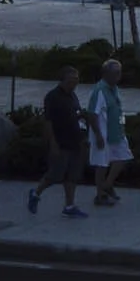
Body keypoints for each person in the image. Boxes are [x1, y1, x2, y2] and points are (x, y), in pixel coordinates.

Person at [28, 65, 94, 219]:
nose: (74, 84)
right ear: (63, 80)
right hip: (61, 141)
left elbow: (75, 114)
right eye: (71, 80)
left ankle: (69, 205)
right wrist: (53, 143)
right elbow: (48, 121)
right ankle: (36, 193)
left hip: (76, 140)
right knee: (55, 174)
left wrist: (83, 121)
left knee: (72, 175)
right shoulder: (53, 97)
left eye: (76, 80)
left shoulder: (73, 96)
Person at [86, 59, 132, 206]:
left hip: (116, 131)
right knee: (102, 164)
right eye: (115, 73)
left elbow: (118, 109)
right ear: (106, 74)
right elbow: (92, 114)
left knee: (123, 157)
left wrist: (122, 126)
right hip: (103, 133)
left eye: (119, 73)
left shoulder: (114, 89)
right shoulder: (99, 91)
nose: (119, 76)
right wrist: (98, 135)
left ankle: (107, 185)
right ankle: (100, 195)